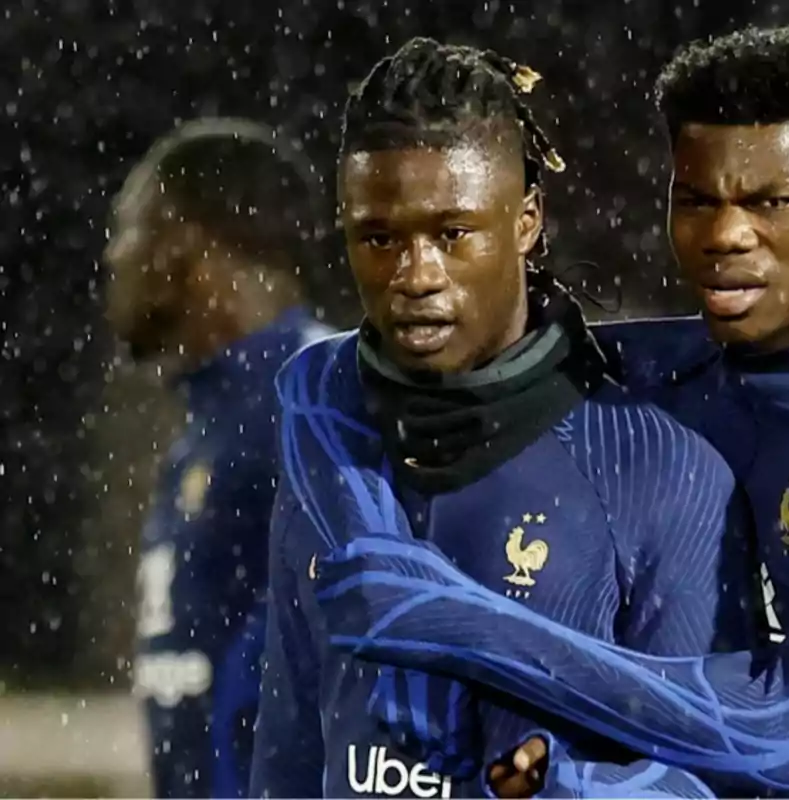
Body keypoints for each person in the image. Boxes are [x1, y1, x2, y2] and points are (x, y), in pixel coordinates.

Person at [312, 26, 789, 798]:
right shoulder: (656, 375)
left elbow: (788, 732)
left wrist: (457, 623)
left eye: (773, 203)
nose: (725, 235)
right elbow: (424, 365)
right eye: (697, 200)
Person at [250, 38, 755, 799]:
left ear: (525, 221)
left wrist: (555, 786)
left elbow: (715, 768)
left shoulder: (655, 463)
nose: (415, 275)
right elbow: (288, 757)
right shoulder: (324, 435)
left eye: (453, 235)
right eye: (379, 238)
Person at [104, 118, 333, 798]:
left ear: (186, 245)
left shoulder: (322, 403)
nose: (114, 257)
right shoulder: (215, 421)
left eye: (130, 229)